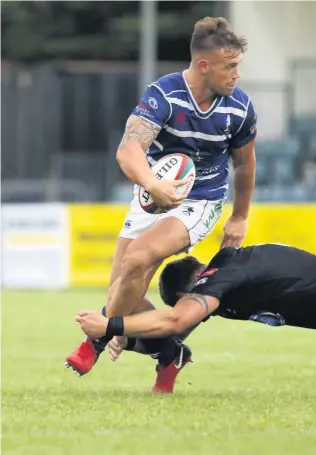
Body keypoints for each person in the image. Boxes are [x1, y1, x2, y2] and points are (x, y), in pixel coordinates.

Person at [65, 16, 257, 393]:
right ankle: (171, 353)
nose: (236, 74)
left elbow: (245, 165)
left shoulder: (239, 108)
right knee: (121, 300)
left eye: (238, 66)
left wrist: (239, 216)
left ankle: (97, 341)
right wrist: (153, 185)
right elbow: (129, 149)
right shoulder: (164, 95)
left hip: (201, 199)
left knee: (138, 259)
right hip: (154, 196)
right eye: (229, 66)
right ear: (204, 66)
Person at [76, 243, 316, 398]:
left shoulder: (224, 275)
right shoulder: (222, 291)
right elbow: (175, 331)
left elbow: (173, 321)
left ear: (193, 286)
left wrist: (109, 327)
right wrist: (130, 340)